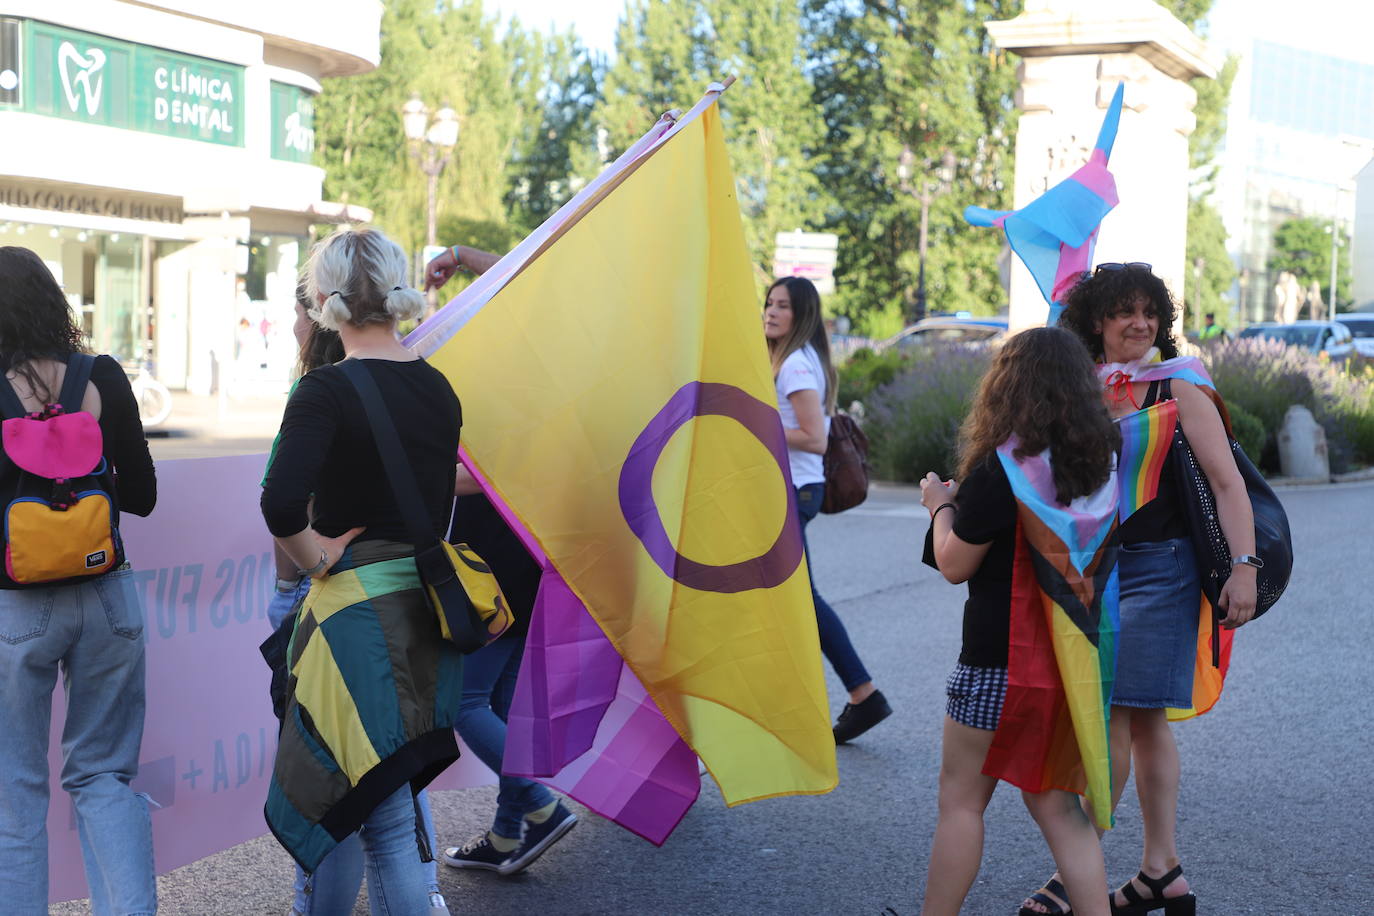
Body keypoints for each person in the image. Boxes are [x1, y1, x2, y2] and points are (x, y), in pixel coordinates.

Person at [1022, 263, 1257, 915]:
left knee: (1120, 717)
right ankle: (1161, 870)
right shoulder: (1077, 388)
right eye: (1125, 310)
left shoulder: (1177, 385)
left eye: (1150, 312)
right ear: (1095, 320)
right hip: (1090, 570)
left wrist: (1245, 566)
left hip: (1162, 567)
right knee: (1143, 720)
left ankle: (1079, 870)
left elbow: (1228, 483)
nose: (1141, 323)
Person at [260, 227, 463, 915]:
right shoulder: (436, 387)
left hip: (351, 622)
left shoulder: (325, 391)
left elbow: (280, 500)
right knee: (387, 809)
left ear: (324, 297)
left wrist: (314, 554)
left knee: (362, 814)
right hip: (420, 619)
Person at [917, 327, 1116, 916]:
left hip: (994, 666)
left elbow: (954, 564)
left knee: (961, 803)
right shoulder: (1099, 470)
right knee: (1060, 811)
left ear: (1007, 386)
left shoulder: (1004, 469)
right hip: (1067, 665)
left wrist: (940, 505)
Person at [0, 246, 158, 914]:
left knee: (15, 792)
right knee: (104, 777)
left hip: (17, 609)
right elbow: (144, 495)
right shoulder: (104, 376)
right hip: (107, 596)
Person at [423, 245, 580, 875]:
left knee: (462, 702)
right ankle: (510, 833)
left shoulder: (521, 388)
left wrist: (418, 466)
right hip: (529, 558)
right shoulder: (546, 375)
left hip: (499, 565)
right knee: (504, 700)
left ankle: (539, 806)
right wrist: (462, 255)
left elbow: (478, 479)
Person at [764, 276, 890, 744]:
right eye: (769, 304)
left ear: (802, 316)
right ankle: (854, 695)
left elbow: (814, 439)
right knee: (786, 598)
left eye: (783, 306)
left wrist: (755, 427)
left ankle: (863, 693)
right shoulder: (792, 359)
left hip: (795, 490)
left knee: (800, 598)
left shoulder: (796, 365)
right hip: (791, 489)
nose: (771, 312)